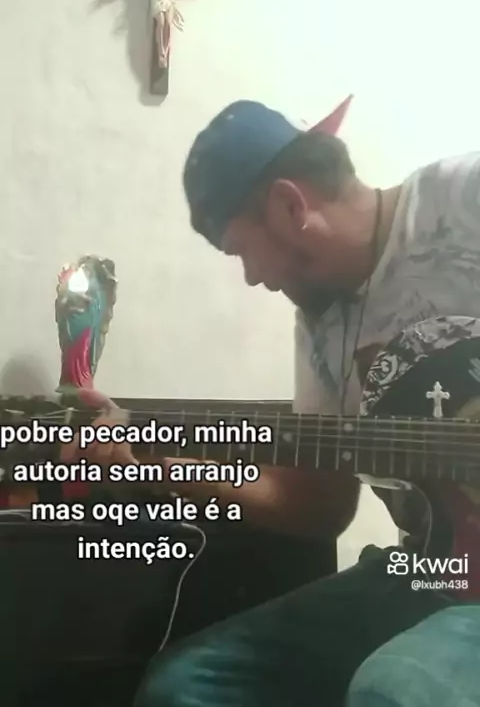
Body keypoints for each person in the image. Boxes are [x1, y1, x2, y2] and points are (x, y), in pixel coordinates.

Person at [76, 99, 480, 705]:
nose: (252, 277)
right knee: (185, 687)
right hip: (427, 569)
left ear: (290, 206)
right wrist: (161, 467)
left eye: (242, 250)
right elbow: (318, 507)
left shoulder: (462, 198)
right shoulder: (319, 329)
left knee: (392, 691)